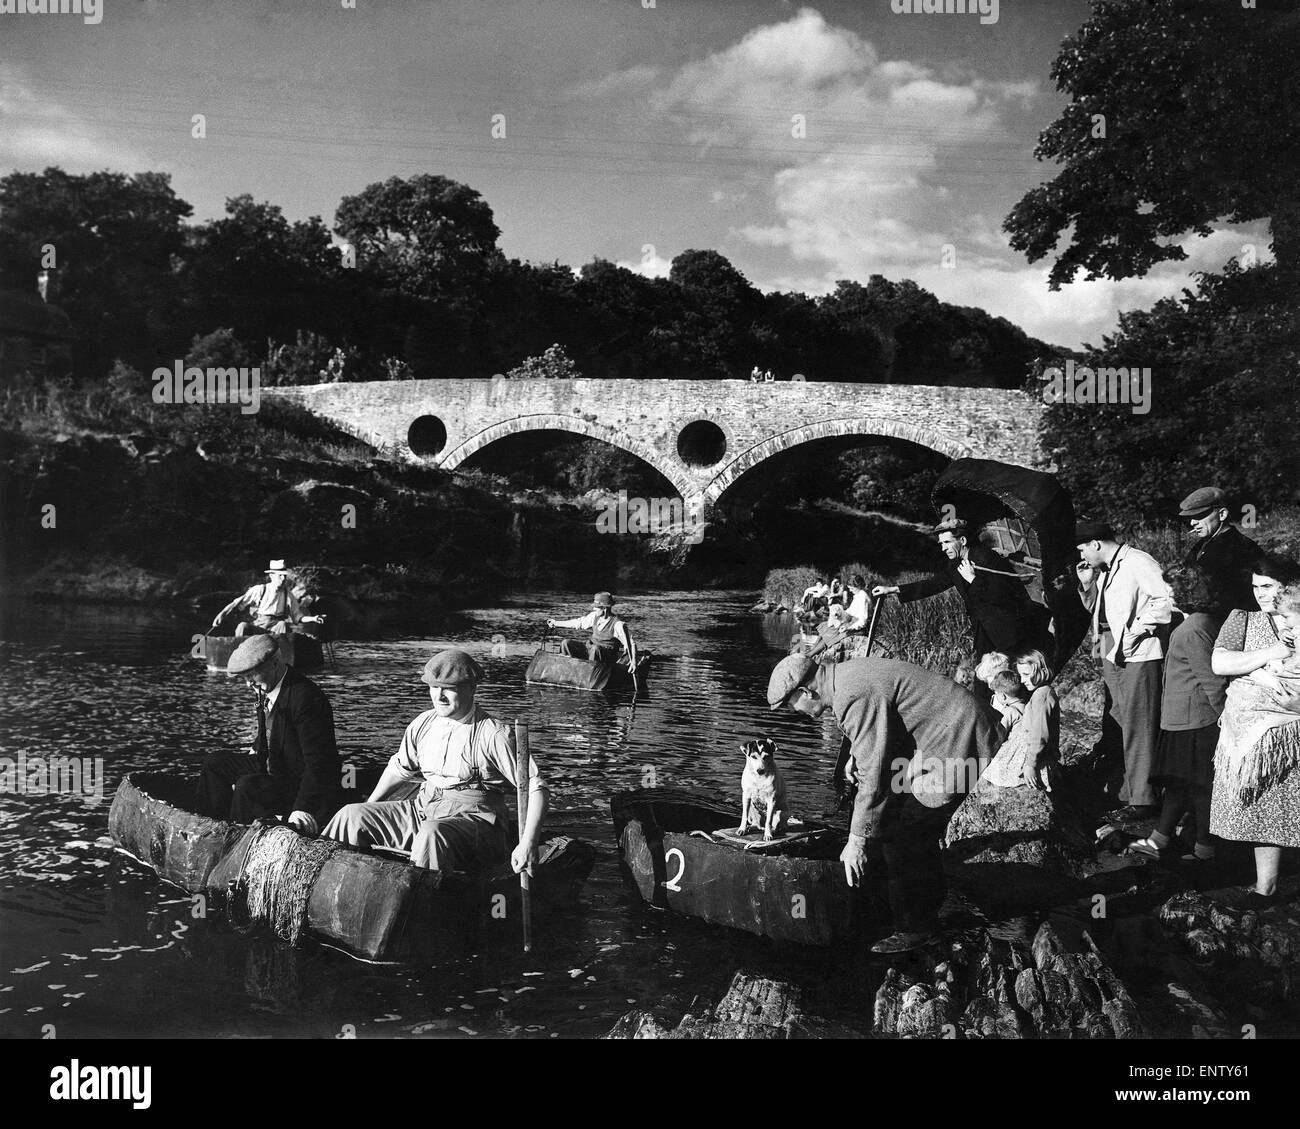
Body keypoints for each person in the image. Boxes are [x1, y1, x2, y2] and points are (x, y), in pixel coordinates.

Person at [768, 652, 1002, 953]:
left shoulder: (850, 695)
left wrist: (856, 840)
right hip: (941, 730)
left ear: (805, 691)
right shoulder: (845, 677)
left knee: (909, 834)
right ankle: (891, 902)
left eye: (794, 706)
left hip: (958, 739)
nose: (798, 712)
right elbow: (878, 727)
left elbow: (875, 776)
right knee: (889, 820)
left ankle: (918, 928)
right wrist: (856, 755)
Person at [323, 649, 547, 873]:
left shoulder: (494, 734)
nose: (438, 697)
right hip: (423, 808)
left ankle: (423, 900)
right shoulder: (423, 724)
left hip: (475, 820)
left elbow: (537, 788)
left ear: (472, 688)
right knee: (351, 815)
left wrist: (528, 843)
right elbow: (399, 769)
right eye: (433, 687)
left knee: (432, 833)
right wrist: (370, 804)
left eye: (449, 689)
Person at [1209, 554, 1300, 908]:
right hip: (1254, 732)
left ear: (1288, 587)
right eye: (1255, 587)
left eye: (1268, 587)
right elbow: (1220, 663)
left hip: (1293, 726)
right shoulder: (1243, 618)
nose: (1260, 594)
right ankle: (1266, 887)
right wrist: (1271, 654)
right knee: (1264, 806)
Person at [1126, 567, 1226, 861]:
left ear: (1186, 594)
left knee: (1198, 789)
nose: (1166, 597)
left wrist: (1226, 720)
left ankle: (1205, 852)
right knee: (1179, 785)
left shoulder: (1192, 629)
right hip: (1183, 719)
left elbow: (1212, 679)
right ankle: (1159, 840)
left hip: (1195, 721)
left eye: (1170, 592)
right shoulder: (1195, 623)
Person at [1075, 519, 1173, 819]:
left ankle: (1143, 799)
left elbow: (1168, 599)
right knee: (1119, 717)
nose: (1081, 556)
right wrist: (1088, 585)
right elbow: (1100, 611)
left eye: (1082, 549)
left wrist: (1140, 629)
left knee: (1139, 722)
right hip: (1109, 646)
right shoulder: (1103, 569)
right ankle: (1129, 791)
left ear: (1095, 544)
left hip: (1138, 652)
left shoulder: (1139, 562)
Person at [196, 634, 342, 833]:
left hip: (296, 781)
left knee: (247, 786)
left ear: (274, 664)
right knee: (214, 763)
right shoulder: (267, 687)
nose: (249, 684)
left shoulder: (306, 699)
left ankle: (236, 840)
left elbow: (320, 763)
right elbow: (270, 732)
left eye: (251, 676)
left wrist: (302, 808)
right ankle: (211, 830)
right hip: (272, 762)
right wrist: (255, 748)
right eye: (245, 678)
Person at [873, 520, 1049, 661]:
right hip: (984, 630)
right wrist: (892, 589)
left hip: (1007, 632)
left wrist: (973, 579)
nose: (943, 548)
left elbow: (1001, 595)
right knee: (984, 677)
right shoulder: (955, 564)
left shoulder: (987, 558)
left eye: (947, 542)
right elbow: (935, 584)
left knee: (1010, 679)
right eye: (941, 543)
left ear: (962, 541)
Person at [982, 650, 1059, 790]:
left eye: (1026, 675)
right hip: (1031, 751)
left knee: (991, 768)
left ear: (1041, 671)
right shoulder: (1041, 692)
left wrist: (1030, 765)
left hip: (1034, 756)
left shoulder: (1042, 697)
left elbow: (1039, 735)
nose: (1022, 680)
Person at [1179, 486, 1258, 617]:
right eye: (1191, 517)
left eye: (1199, 516)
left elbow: (1236, 598)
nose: (1192, 522)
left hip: (1228, 621)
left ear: (1222, 514)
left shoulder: (1242, 548)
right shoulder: (1201, 545)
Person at [211, 560, 326, 637]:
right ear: (271, 576)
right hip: (259, 626)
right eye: (279, 575)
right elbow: (237, 603)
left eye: (284, 576)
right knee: (242, 626)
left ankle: (282, 657)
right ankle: (240, 655)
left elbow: (298, 616)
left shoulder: (288, 594)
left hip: (276, 629)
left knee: (283, 624)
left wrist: (313, 618)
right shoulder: (260, 589)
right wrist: (222, 614)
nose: (283, 578)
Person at [547, 592, 637, 666]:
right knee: (566, 643)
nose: (593, 608)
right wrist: (556, 623)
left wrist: (633, 662)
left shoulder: (618, 625)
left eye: (596, 607)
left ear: (605, 608)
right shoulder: (594, 616)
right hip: (590, 650)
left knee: (595, 649)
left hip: (605, 658)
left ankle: (588, 674)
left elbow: (631, 644)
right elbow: (578, 623)